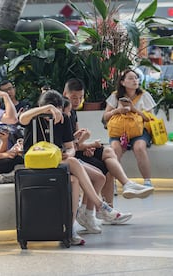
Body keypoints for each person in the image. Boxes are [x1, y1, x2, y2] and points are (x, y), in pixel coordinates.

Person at [20, 90, 127, 245]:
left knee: (98, 177)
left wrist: (68, 154)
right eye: (51, 109)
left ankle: (84, 216)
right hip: (34, 161)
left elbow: (70, 147)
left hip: (57, 161)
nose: (53, 114)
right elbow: (22, 118)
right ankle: (99, 206)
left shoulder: (64, 119)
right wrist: (46, 109)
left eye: (56, 109)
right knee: (75, 169)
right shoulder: (33, 118)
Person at [63, 78, 153, 217]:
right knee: (107, 163)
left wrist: (86, 145)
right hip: (72, 155)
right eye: (74, 97)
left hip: (78, 150)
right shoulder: (63, 114)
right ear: (65, 94)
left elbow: (76, 139)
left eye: (80, 98)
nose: (77, 101)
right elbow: (69, 145)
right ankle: (101, 209)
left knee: (109, 152)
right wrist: (88, 144)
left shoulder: (72, 112)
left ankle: (124, 187)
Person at [102, 70, 156, 188]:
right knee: (115, 149)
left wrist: (133, 109)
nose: (135, 81)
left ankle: (147, 181)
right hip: (119, 131)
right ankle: (114, 182)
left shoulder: (144, 95)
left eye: (136, 78)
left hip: (139, 131)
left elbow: (150, 119)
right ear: (122, 82)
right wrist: (117, 111)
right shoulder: (115, 96)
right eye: (131, 78)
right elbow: (105, 117)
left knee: (139, 147)